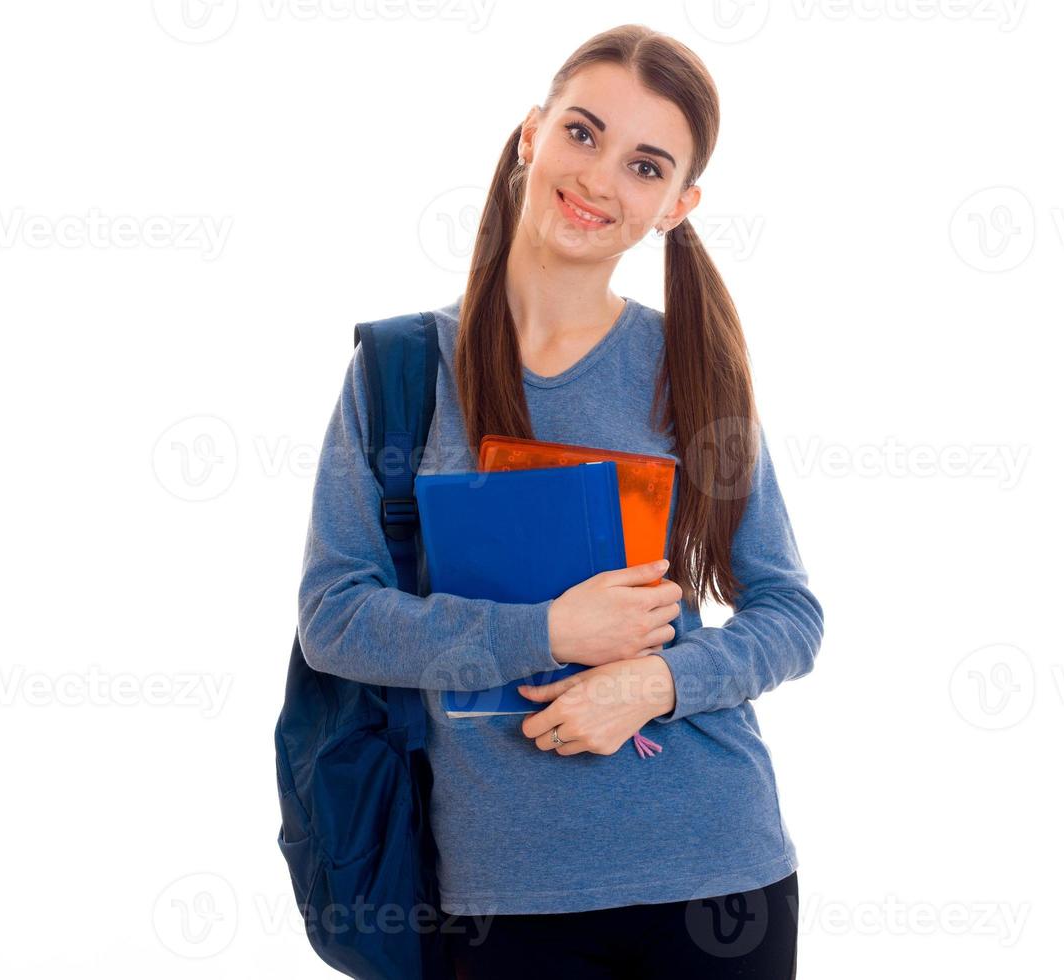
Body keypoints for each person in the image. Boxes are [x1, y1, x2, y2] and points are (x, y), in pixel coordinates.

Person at [296, 23, 823, 979]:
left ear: (676, 203)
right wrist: (547, 630)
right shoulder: (404, 373)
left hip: (716, 875)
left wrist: (655, 683)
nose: (599, 181)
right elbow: (333, 618)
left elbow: (790, 613)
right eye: (583, 135)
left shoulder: (691, 372)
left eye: (645, 164)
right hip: (506, 899)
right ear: (532, 134)